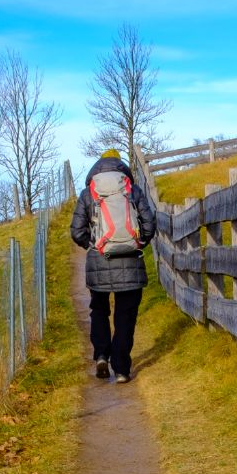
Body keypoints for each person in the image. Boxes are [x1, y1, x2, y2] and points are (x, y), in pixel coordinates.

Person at [68, 148, 158, 383]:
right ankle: (121, 369)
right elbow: (149, 224)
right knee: (125, 315)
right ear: (121, 167)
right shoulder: (132, 190)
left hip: (100, 260)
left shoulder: (89, 193)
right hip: (130, 261)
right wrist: (137, 244)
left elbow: (76, 231)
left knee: (99, 310)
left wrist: (95, 245)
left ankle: (101, 355)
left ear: (98, 167)